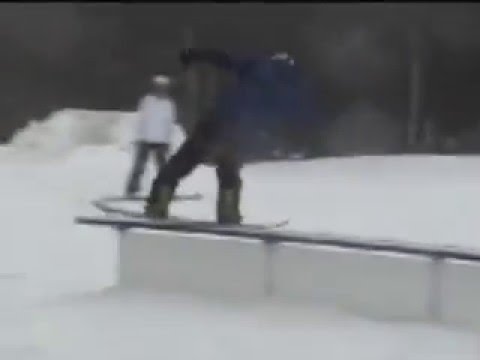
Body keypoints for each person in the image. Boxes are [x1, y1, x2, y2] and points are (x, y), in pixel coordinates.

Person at [145, 48, 319, 224]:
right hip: (243, 130)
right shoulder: (295, 84)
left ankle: (158, 203)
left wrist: (195, 55)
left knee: (185, 159)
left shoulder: (258, 64)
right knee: (229, 168)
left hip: (220, 117)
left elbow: (225, 59)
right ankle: (228, 212)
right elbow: (300, 113)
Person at [125, 75, 177, 197]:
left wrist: (169, 140)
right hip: (146, 138)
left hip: (161, 140)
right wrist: (137, 136)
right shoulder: (147, 101)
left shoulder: (169, 104)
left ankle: (165, 190)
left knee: (163, 168)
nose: (161, 90)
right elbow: (141, 119)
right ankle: (132, 189)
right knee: (139, 166)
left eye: (163, 88)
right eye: (159, 88)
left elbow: (170, 123)